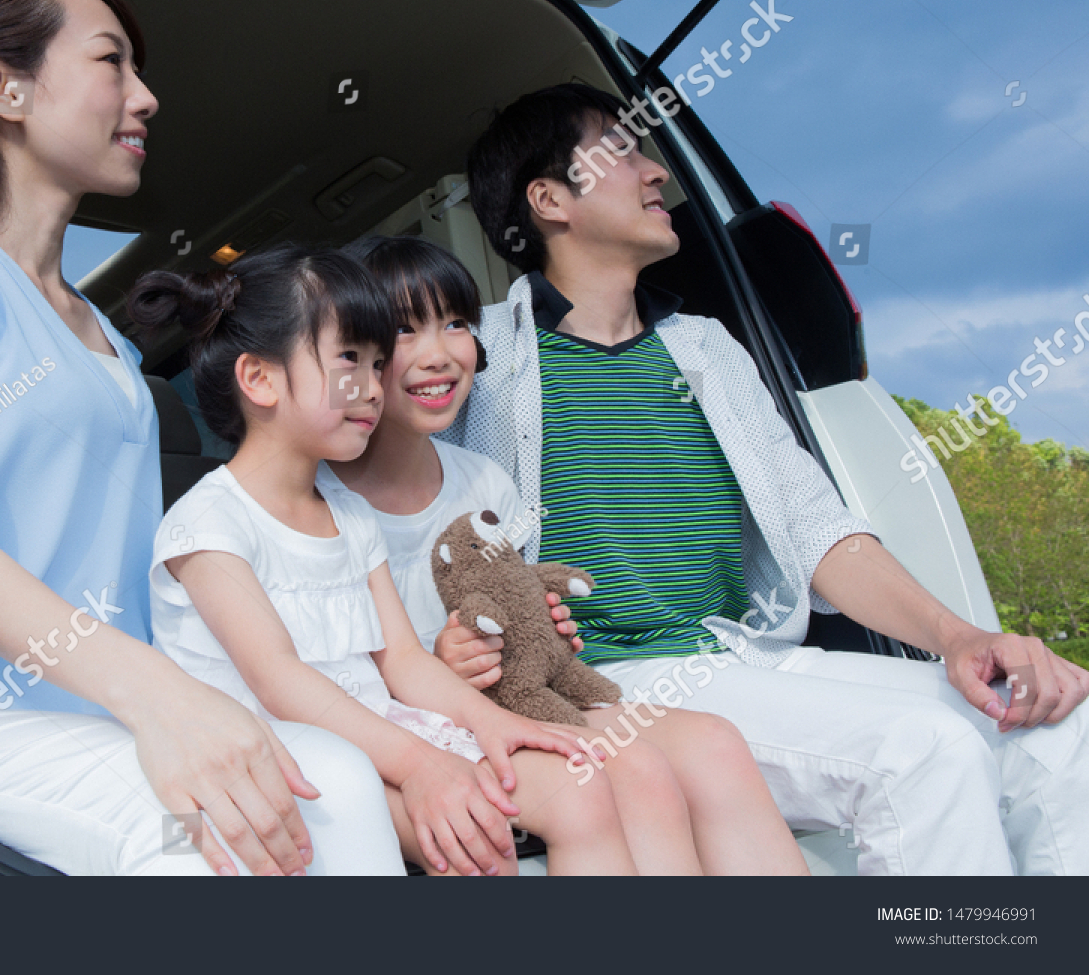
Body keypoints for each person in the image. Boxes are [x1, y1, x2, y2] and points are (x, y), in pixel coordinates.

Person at [0, 0, 404, 877]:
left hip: (96, 708)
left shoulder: (105, 340)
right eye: (111, 62)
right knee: (207, 843)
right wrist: (161, 698)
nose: (146, 95)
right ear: (3, 85)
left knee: (341, 782)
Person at [444, 82, 1089, 874]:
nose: (658, 175)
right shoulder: (480, 358)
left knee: (1056, 724)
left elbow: (817, 527)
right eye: (626, 150)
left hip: (743, 654)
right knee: (923, 750)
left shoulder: (706, 349)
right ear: (548, 199)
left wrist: (963, 637)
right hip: (623, 682)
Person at [131, 243, 664, 876]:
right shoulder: (208, 525)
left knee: (586, 787)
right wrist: (421, 766)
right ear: (260, 380)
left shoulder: (344, 508)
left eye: (378, 361)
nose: (374, 385)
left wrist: (487, 723)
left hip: (379, 732)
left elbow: (403, 657)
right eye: (350, 359)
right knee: (481, 835)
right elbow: (279, 682)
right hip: (292, 754)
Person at [320, 234, 808, 874]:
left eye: (457, 323)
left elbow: (510, 603)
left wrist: (541, 629)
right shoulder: (324, 499)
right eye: (404, 332)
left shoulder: (484, 482)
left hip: (509, 701)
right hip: (412, 723)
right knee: (624, 772)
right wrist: (447, 658)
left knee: (713, 743)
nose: (438, 355)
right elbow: (337, 670)